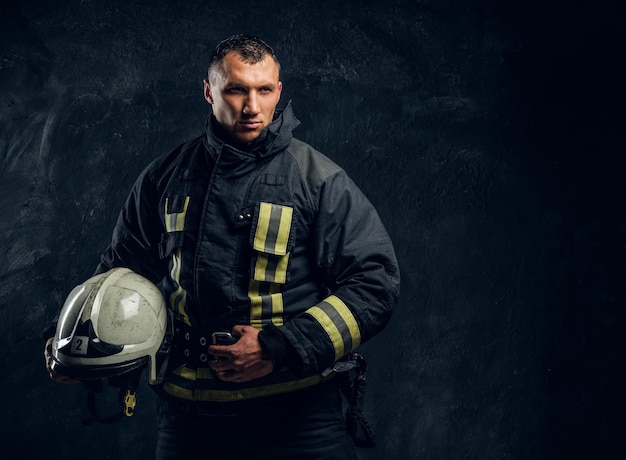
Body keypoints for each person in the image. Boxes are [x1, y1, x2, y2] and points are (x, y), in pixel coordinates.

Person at [43, 34, 400, 459]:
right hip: (188, 421)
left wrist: (280, 346)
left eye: (264, 90)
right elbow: (119, 273)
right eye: (236, 89)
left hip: (298, 420)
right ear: (209, 91)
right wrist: (68, 340)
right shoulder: (164, 177)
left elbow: (375, 285)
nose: (252, 107)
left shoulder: (318, 181)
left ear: (278, 91)